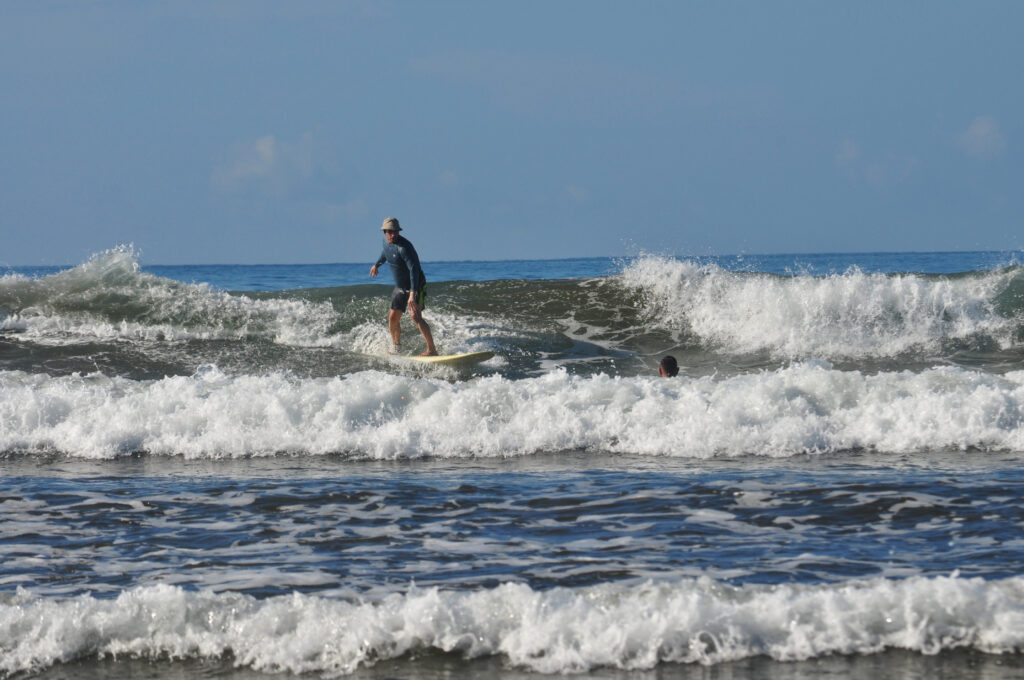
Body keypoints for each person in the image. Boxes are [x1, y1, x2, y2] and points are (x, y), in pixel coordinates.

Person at [369, 217, 437, 356]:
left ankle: (432, 350)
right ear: (385, 232)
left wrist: (412, 294)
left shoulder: (405, 248)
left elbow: (414, 270)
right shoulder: (386, 242)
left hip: (416, 285)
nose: (393, 234)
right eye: (390, 232)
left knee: (416, 317)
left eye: (395, 232)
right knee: (392, 319)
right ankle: (396, 348)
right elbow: (385, 253)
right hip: (400, 287)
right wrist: (377, 264)